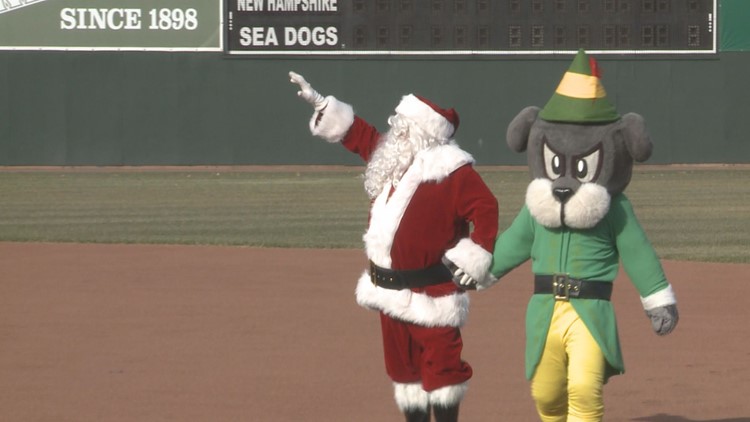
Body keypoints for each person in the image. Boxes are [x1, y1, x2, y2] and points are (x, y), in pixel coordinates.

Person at [289, 71, 499, 422]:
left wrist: (475, 254)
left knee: (443, 374)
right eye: (397, 124)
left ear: (423, 132)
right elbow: (362, 136)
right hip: (387, 292)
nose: (396, 131)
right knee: (405, 375)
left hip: (432, 294)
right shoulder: (395, 158)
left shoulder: (452, 171)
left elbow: (486, 208)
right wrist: (322, 104)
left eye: (404, 125)